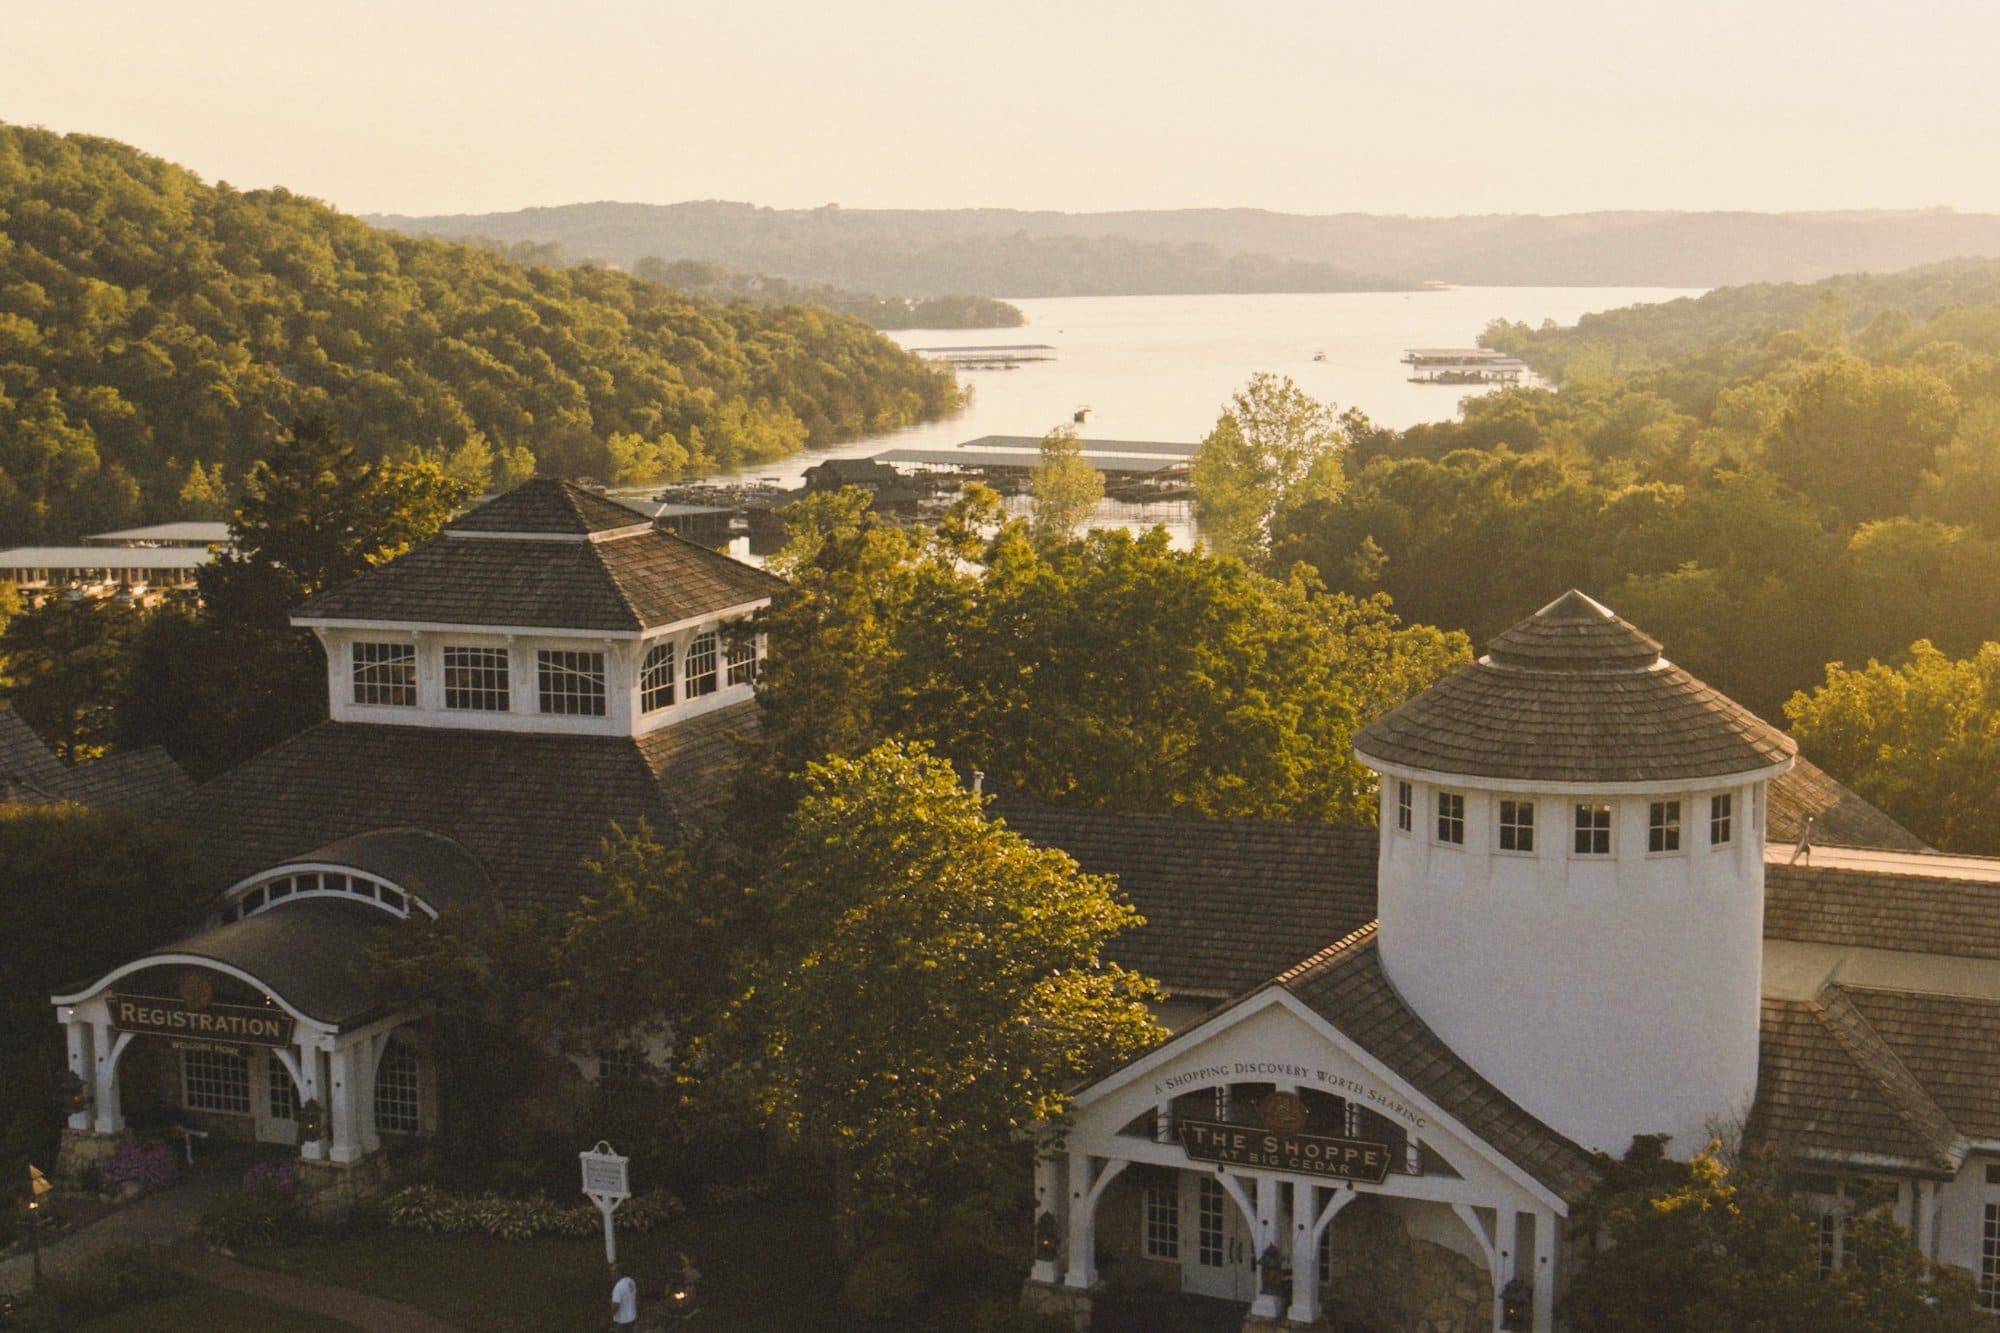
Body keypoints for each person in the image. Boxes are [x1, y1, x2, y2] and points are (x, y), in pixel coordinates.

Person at [608, 1260, 638, 1329]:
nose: (611, 1274)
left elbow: (615, 1306)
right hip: (632, 1318)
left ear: (619, 1273)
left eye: (613, 1272)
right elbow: (635, 1298)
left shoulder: (618, 1287)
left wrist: (609, 1317)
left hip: (623, 1321)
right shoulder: (631, 1281)